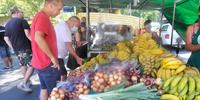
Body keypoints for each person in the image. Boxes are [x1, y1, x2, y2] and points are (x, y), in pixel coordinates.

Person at [30, 0, 63, 99]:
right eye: (59, 9)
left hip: (40, 62)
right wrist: (52, 57)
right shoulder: (43, 17)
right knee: (55, 94)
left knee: (44, 89)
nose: (59, 12)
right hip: (47, 64)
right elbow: (38, 37)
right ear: (51, 5)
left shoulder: (39, 16)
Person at [4, 7, 33, 92]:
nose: (23, 14)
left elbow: (6, 38)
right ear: (16, 12)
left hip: (17, 49)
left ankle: (27, 82)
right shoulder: (22, 21)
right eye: (22, 12)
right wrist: (36, 43)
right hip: (25, 47)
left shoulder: (8, 24)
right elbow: (28, 34)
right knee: (33, 64)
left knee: (23, 65)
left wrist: (12, 47)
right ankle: (23, 83)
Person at [54, 16, 83, 81]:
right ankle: (60, 88)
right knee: (63, 74)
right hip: (57, 55)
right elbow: (69, 46)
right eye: (77, 25)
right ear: (72, 21)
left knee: (61, 74)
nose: (77, 28)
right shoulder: (65, 28)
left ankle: (59, 86)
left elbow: (76, 33)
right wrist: (77, 57)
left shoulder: (62, 25)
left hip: (57, 55)